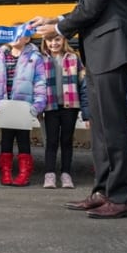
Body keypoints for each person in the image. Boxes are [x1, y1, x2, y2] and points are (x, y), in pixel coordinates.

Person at [32, 0, 127, 218]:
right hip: (98, 51)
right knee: (100, 127)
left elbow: (92, 8)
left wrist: (58, 26)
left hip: (111, 50)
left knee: (114, 126)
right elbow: (91, 7)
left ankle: (121, 197)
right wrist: (57, 18)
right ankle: (103, 190)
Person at [0, 29, 47, 187]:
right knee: (6, 138)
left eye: (19, 34)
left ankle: (24, 172)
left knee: (23, 139)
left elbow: (40, 81)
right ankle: (5, 171)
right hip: (5, 104)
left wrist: (37, 105)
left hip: (23, 105)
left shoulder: (34, 57)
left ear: (27, 39)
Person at [39, 34, 83, 189]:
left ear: (64, 40)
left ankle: (66, 174)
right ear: (45, 42)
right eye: (50, 40)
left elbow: (82, 82)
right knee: (51, 141)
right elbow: (37, 83)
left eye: (57, 39)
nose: (53, 43)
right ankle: (49, 174)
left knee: (66, 140)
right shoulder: (41, 59)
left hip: (70, 106)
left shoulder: (73, 57)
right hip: (50, 106)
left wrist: (85, 108)